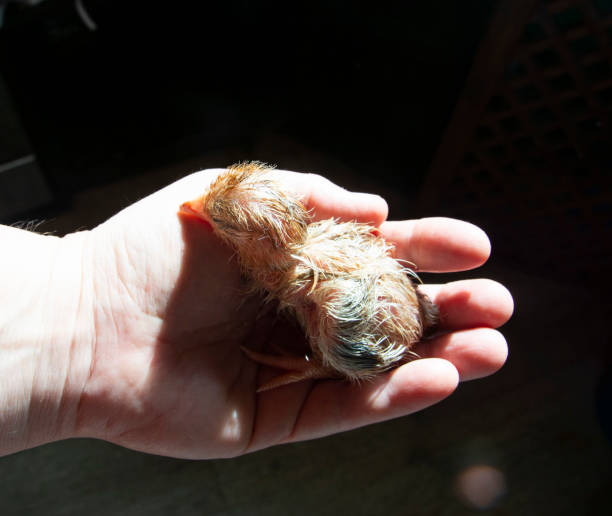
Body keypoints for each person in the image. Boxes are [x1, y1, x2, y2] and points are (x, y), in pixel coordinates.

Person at [0, 168, 513, 459]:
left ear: (256, 239)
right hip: (374, 292)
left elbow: (342, 305)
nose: (195, 210)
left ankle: (325, 363)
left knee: (344, 340)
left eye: (217, 218)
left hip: (365, 327)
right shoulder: (288, 251)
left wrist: (321, 361)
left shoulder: (288, 271)